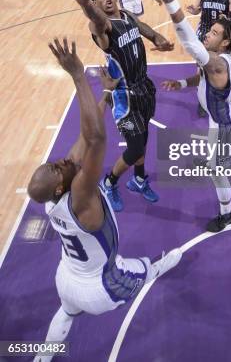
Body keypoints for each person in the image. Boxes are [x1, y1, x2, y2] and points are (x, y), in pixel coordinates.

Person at [28, 38, 181, 362]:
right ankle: (159, 267)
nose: (61, 162)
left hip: (66, 277)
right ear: (60, 186)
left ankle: (42, 357)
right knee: (143, 269)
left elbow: (84, 138)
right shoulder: (80, 194)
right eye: (57, 168)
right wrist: (79, 77)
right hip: (101, 285)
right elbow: (96, 138)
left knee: (66, 314)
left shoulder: (54, 198)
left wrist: (108, 95)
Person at [58, 0, 174, 211]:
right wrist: (83, 3)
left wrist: (157, 37)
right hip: (124, 97)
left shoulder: (127, 16)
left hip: (144, 89)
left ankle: (139, 179)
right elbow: (98, 22)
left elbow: (144, 28)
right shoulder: (102, 27)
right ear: (95, 2)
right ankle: (109, 182)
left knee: (143, 139)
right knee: (135, 148)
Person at [156, 0, 231, 233]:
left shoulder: (217, 62)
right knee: (213, 163)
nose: (208, 34)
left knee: (217, 171)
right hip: (220, 116)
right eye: (210, 31)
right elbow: (203, 77)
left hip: (227, 124)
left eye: (215, 33)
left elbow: (190, 42)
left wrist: (172, 3)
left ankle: (227, 214)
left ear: (225, 42)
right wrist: (183, 83)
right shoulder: (216, 63)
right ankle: (214, 161)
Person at [186, 0, 231, 117]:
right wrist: (194, 10)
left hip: (221, 34)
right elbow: (197, 9)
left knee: (224, 65)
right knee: (201, 67)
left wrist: (227, 19)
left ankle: (224, 94)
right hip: (204, 32)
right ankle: (202, 102)